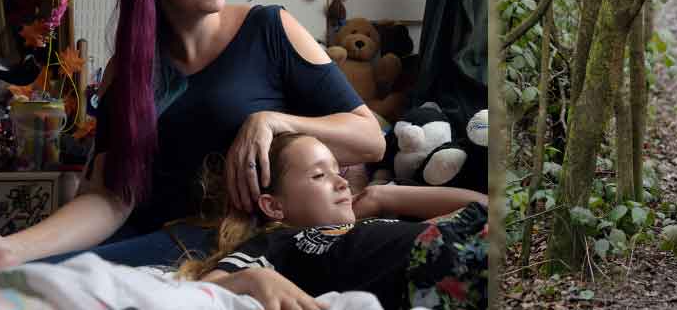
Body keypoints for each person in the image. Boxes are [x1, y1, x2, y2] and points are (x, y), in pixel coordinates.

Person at [0, 0, 385, 279]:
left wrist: (270, 121)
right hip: (148, 236)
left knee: (50, 285)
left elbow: (370, 140)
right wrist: (16, 248)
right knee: (22, 277)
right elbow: (111, 199)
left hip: (230, 240)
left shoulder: (271, 30)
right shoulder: (126, 73)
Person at [179, 131, 488, 310]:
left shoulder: (366, 228)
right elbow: (204, 291)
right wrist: (251, 278)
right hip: (444, 268)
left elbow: (482, 205)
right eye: (318, 175)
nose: (342, 183)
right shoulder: (277, 242)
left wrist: (382, 196)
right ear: (274, 206)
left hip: (468, 244)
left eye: (338, 172)